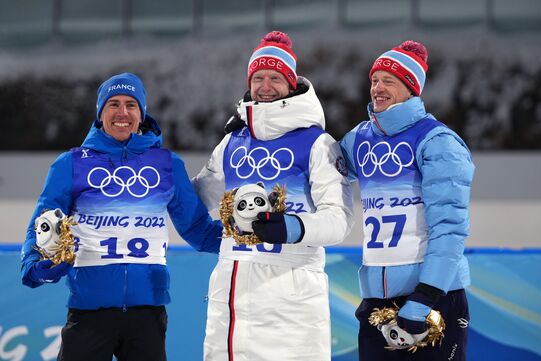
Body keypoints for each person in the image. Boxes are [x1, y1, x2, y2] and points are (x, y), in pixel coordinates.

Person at [21, 72, 223, 361]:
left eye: (131, 105)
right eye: (113, 104)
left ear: (141, 114)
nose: (122, 113)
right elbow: (41, 226)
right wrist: (35, 266)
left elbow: (197, 229)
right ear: (100, 112)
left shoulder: (167, 165)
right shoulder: (71, 164)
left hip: (147, 315)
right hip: (89, 312)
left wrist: (249, 237)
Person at [192, 31, 354, 361]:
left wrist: (294, 227)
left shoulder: (317, 143)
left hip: (291, 294)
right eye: (259, 77)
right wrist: (155, 164)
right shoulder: (232, 142)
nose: (266, 86)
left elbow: (340, 220)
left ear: (291, 84)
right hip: (231, 295)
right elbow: (197, 199)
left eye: (276, 78)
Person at [339, 40, 475, 361]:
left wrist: (425, 296)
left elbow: (450, 228)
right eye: (374, 80)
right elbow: (314, 165)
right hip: (377, 302)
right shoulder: (359, 138)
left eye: (389, 81)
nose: (378, 88)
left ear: (411, 90)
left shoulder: (437, 141)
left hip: (432, 298)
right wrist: (257, 124)